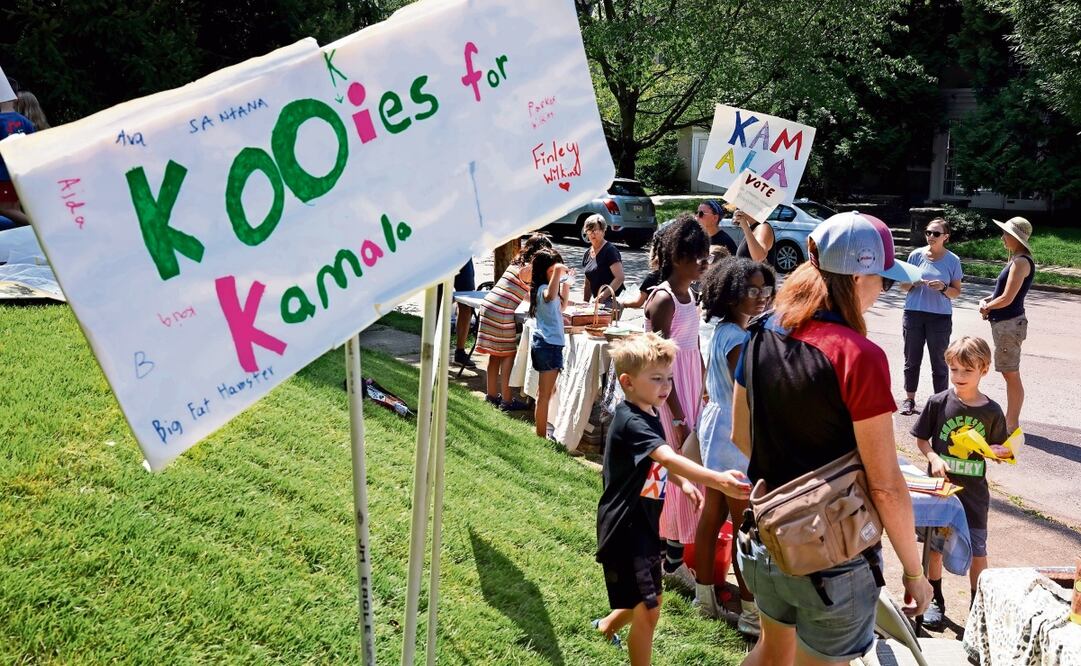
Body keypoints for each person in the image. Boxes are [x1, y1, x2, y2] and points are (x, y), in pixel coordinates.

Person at [732, 212, 932, 665]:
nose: (883, 290)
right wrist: (916, 573)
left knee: (768, 654)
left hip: (767, 536)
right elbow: (884, 484)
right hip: (832, 558)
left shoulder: (762, 331)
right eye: (882, 278)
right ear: (859, 276)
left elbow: (741, 436)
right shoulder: (859, 357)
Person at [593, 332, 751, 664]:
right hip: (625, 527)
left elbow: (659, 461)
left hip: (644, 526)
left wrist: (682, 483)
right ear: (628, 382)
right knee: (648, 611)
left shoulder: (649, 411)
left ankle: (606, 627)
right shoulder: (632, 421)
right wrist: (716, 480)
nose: (666, 386)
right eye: (656, 379)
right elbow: (666, 457)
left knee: (650, 601)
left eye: (668, 378)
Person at [693, 257, 775, 635]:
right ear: (729, 296)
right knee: (744, 526)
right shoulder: (738, 339)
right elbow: (752, 390)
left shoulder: (725, 330)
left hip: (716, 426)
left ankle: (704, 596)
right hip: (732, 433)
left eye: (765, 290)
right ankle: (749, 611)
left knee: (713, 514)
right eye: (751, 291)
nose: (760, 298)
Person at [911, 336, 1010, 630]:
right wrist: (933, 458)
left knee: (978, 549)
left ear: (984, 369)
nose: (959, 377)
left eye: (967, 371)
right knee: (935, 547)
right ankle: (935, 599)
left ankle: (978, 606)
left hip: (974, 495)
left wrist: (1000, 454)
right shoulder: (937, 402)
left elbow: (999, 449)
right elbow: (921, 439)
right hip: (941, 493)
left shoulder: (992, 411)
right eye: (954, 370)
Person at [643, 213, 710, 590]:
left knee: (682, 476)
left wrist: (703, 386)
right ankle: (666, 561)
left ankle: (668, 553)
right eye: (694, 255)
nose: (702, 262)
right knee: (666, 474)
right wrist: (679, 414)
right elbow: (657, 364)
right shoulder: (664, 300)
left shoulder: (690, 296)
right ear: (675, 256)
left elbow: (693, 347)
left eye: (705, 255)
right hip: (667, 400)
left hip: (688, 392)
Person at [476, 233, 552, 410]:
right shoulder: (531, 268)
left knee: (495, 355)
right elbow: (535, 294)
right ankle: (507, 401)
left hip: (489, 306)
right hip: (501, 312)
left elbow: (522, 292)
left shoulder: (517, 261)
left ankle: (492, 395)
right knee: (508, 355)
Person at [899, 218, 963, 415]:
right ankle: (909, 400)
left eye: (936, 233)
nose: (931, 237)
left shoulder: (953, 260)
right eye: (928, 232)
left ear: (946, 237)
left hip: (939, 317)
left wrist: (943, 288)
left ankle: (940, 403)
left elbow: (956, 292)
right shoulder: (915, 255)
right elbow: (903, 287)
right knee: (912, 359)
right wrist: (913, 282)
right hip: (914, 314)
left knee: (939, 361)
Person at [979, 217, 1035, 433]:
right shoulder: (1017, 259)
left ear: (1016, 237)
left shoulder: (1021, 262)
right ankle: (1010, 420)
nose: (1002, 237)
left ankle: (1011, 423)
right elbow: (1001, 294)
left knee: (1011, 374)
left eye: (1006, 234)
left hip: (1009, 324)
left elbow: (1008, 298)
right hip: (1006, 324)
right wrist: (988, 300)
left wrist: (987, 307)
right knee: (1009, 373)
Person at [528, 248, 570, 438]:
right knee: (544, 395)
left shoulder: (546, 289)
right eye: (553, 271)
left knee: (547, 391)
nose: (557, 275)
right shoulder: (543, 290)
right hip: (548, 345)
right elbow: (551, 296)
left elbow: (562, 305)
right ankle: (541, 435)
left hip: (547, 344)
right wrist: (560, 271)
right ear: (544, 271)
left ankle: (543, 427)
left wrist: (566, 284)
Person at [0, 71, 35, 228]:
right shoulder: (25, 122)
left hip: (3, 175)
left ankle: (36, 227)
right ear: (16, 97)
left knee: (5, 209)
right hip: (19, 174)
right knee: (14, 208)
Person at [581, 214, 624, 303]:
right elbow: (587, 283)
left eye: (595, 230)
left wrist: (602, 297)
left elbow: (620, 278)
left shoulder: (610, 251)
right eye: (589, 231)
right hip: (597, 303)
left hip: (612, 301)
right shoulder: (587, 253)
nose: (592, 234)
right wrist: (584, 304)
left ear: (603, 231)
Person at [451, 260, 478, 367]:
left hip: (464, 257)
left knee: (467, 304)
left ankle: (460, 353)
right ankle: (433, 349)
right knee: (437, 303)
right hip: (440, 256)